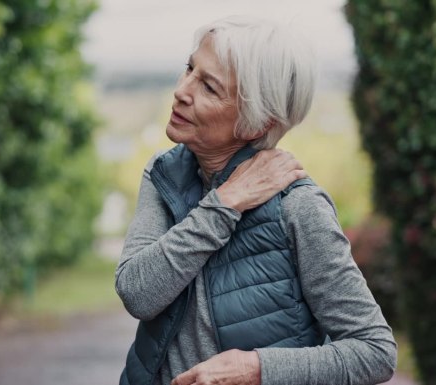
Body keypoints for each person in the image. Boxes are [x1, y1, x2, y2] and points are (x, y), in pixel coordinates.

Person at [116, 16, 397, 385]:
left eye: (209, 88)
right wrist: (224, 204)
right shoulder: (164, 174)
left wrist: (256, 369)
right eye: (189, 68)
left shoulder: (299, 207)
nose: (182, 90)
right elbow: (138, 294)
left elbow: (375, 352)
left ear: (255, 124)